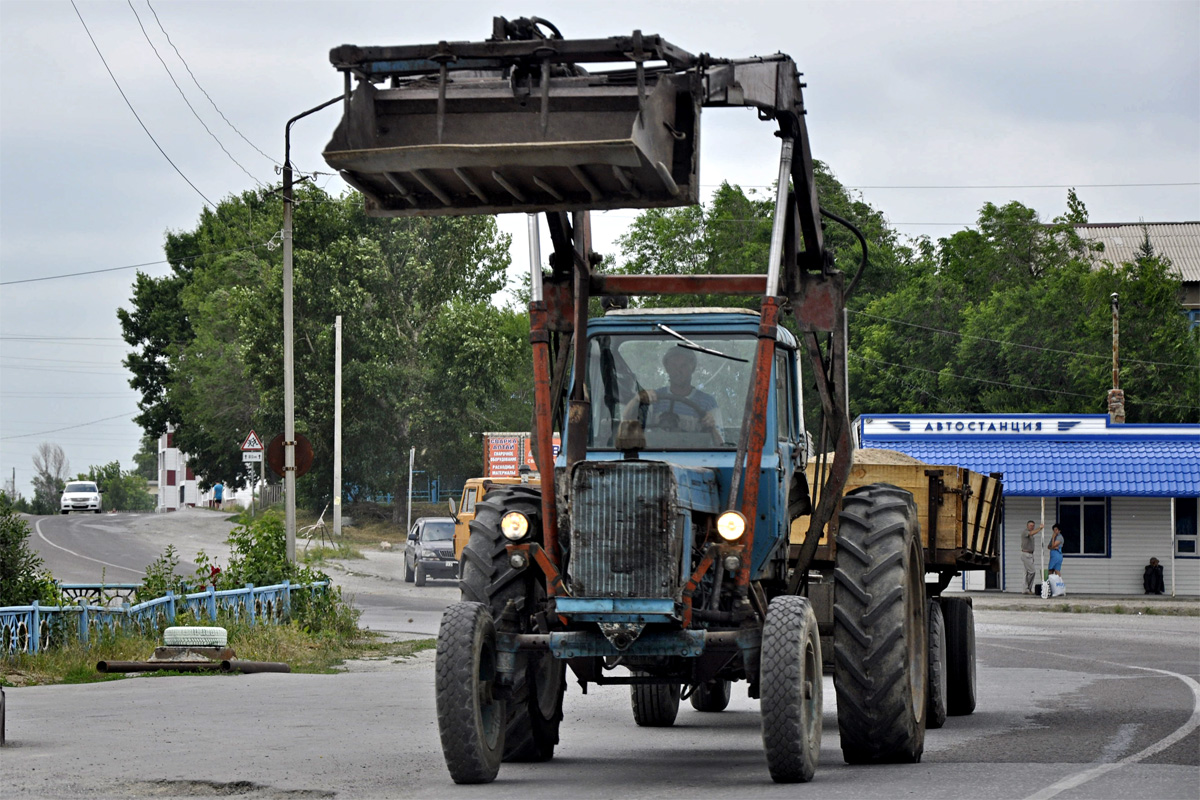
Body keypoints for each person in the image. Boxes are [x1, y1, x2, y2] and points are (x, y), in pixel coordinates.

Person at [1021, 520, 1043, 594]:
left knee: (1026, 572)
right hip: (1026, 554)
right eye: (1031, 525)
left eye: (1033, 526)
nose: (1032, 527)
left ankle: (1026, 589)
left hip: (1030, 554)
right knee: (1032, 571)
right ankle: (1027, 588)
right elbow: (1031, 533)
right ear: (1027, 526)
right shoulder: (1025, 532)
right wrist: (1040, 528)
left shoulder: (1031, 535)